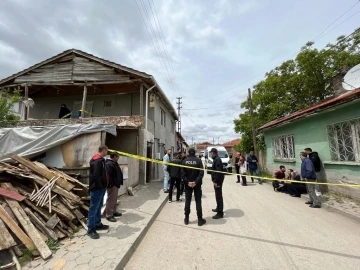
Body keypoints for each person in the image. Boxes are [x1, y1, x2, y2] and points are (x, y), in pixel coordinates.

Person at [87, 145, 109, 239]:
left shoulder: (101, 160)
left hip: (101, 188)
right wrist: (101, 187)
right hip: (97, 189)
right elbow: (96, 176)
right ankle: (91, 229)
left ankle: (97, 223)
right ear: (103, 150)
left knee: (99, 206)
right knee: (93, 209)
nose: (107, 152)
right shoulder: (97, 161)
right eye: (106, 151)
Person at [181, 148, 206, 226]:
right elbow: (201, 173)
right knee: (198, 201)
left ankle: (186, 219)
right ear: (194, 153)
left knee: (187, 200)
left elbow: (182, 174)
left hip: (188, 184)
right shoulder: (198, 161)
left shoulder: (184, 161)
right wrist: (195, 182)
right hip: (197, 184)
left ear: (188, 152)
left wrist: (188, 182)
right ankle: (199, 219)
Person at [105, 152, 124, 222]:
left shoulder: (114, 163)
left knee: (114, 199)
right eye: (118, 157)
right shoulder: (109, 164)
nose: (118, 158)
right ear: (114, 156)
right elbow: (108, 175)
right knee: (111, 200)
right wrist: (111, 184)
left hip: (116, 184)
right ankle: (109, 215)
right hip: (112, 185)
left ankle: (114, 211)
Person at [210, 148, 225, 219]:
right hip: (216, 180)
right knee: (217, 195)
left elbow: (218, 172)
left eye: (211, 153)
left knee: (219, 196)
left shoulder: (217, 160)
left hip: (218, 181)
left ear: (214, 153)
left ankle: (220, 213)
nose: (211, 154)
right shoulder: (215, 159)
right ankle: (218, 208)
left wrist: (215, 181)